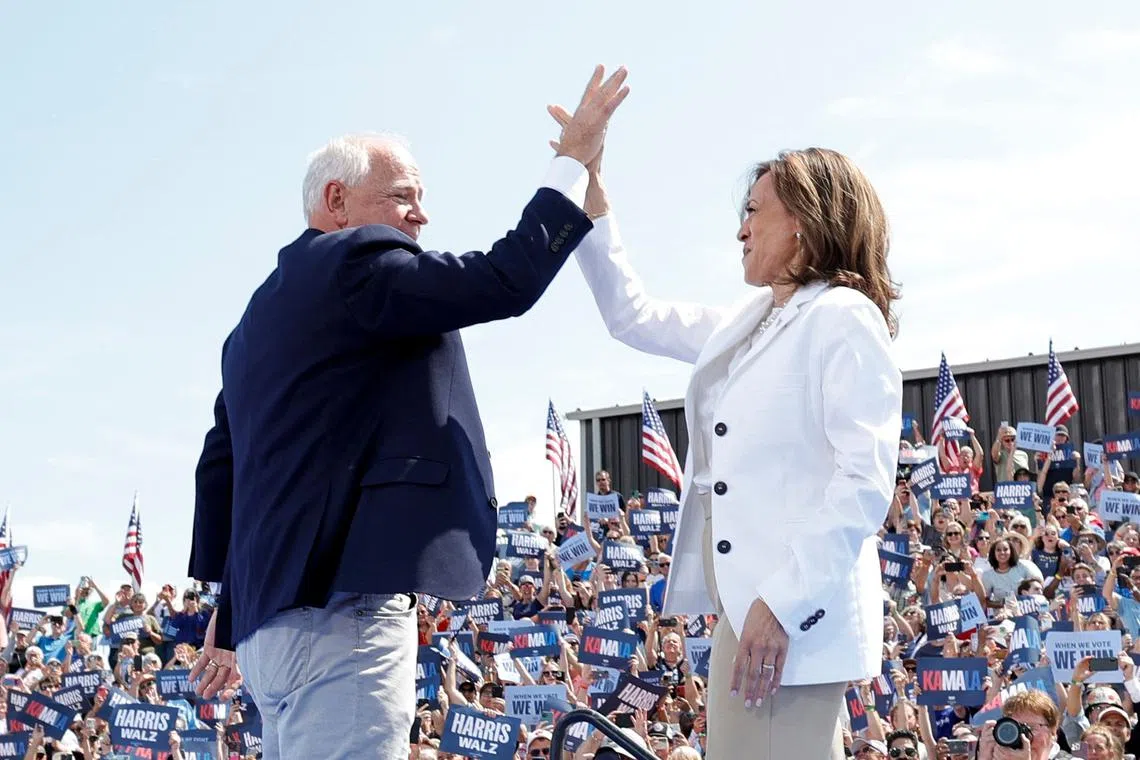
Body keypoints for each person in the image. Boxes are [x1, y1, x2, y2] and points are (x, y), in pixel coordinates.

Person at [187, 65, 629, 759]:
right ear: (337, 200)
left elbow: (225, 471)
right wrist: (571, 162)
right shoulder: (356, 265)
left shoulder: (253, 323)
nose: (420, 214)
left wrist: (230, 608)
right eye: (402, 197)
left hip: (271, 634)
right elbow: (504, 278)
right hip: (345, 622)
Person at [555, 122, 901, 757]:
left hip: (788, 621)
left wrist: (781, 603)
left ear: (805, 220)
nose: (740, 230)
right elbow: (631, 314)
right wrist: (590, 184)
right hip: (745, 616)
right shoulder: (749, 322)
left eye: (752, 211)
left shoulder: (843, 317)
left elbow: (865, 482)